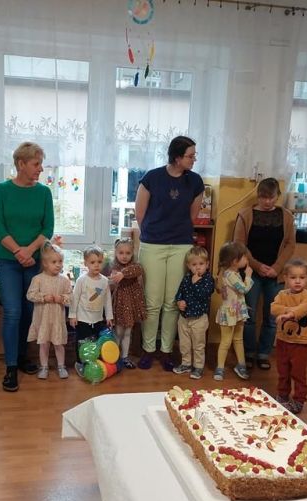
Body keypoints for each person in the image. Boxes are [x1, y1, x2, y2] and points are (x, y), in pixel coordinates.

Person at [135, 135, 205, 370]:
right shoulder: (152, 178)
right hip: (153, 245)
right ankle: (148, 349)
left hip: (181, 246)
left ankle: (166, 351)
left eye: (194, 155)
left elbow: (192, 216)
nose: (194, 159)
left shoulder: (195, 182)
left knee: (172, 302)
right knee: (152, 301)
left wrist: (177, 233)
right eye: (190, 156)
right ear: (177, 157)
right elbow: (140, 213)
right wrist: (154, 234)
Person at [0, 142, 54, 392]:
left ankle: (21, 357)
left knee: (29, 312)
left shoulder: (44, 193)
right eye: (36, 164)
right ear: (21, 164)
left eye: (41, 164)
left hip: (34, 261)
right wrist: (19, 251)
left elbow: (47, 228)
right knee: (12, 312)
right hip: (8, 261)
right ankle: (10, 367)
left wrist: (29, 251)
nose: (40, 169)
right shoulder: (2, 190)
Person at [233, 177, 296, 371]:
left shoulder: (286, 216)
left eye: (271, 197)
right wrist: (257, 265)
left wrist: (277, 267)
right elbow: (239, 244)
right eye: (263, 197)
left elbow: (290, 245)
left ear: (278, 196)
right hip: (251, 272)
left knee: (271, 317)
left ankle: (263, 354)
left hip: (275, 274)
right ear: (258, 196)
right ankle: (249, 353)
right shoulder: (245, 215)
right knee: (249, 315)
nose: (267, 201)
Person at [270, 258, 307, 414]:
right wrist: (288, 310)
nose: (297, 281)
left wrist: (289, 314)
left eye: (302, 277)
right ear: (286, 278)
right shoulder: (281, 294)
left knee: (298, 373)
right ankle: (282, 395)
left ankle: (299, 400)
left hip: (300, 342)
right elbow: (274, 308)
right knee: (283, 371)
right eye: (293, 277)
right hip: (283, 340)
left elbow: (304, 308)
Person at [26, 241, 72, 379]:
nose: (58, 265)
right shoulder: (38, 279)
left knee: (59, 344)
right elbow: (30, 295)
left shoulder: (64, 280)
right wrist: (43, 297)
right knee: (44, 345)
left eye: (60, 261)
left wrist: (62, 298)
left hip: (57, 320)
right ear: (45, 263)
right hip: (43, 320)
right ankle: (44, 367)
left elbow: (71, 297)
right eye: (54, 262)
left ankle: (61, 366)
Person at [69, 246, 114, 376]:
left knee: (95, 341)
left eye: (99, 262)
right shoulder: (81, 280)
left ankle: (92, 362)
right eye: (92, 262)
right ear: (86, 263)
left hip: (98, 319)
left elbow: (107, 300)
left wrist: (109, 317)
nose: (96, 265)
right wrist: (72, 315)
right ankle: (80, 362)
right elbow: (75, 298)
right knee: (82, 342)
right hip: (83, 319)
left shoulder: (104, 281)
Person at [173, 246, 215, 380]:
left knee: (198, 345)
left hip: (199, 319)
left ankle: (198, 366)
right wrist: (179, 301)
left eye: (201, 264)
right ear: (188, 266)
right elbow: (180, 292)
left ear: (207, 264)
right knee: (184, 344)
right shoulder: (187, 277)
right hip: (184, 318)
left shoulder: (208, 279)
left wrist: (195, 284)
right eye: (194, 264)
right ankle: (186, 364)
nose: (198, 267)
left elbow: (204, 295)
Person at [214, 241, 253, 381]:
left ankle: (241, 365)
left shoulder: (232, 273)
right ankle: (220, 368)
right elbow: (243, 289)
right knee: (226, 341)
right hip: (229, 313)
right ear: (235, 261)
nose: (247, 259)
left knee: (238, 339)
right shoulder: (230, 275)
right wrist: (248, 276)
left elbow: (234, 293)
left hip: (237, 312)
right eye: (244, 257)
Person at [109, 238, 146, 369]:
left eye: (128, 253)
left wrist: (123, 274)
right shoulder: (114, 267)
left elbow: (138, 269)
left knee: (128, 332)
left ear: (132, 253)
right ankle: (114, 356)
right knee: (118, 332)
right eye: (121, 253)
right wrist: (116, 277)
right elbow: (112, 281)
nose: (124, 256)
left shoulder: (134, 266)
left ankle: (125, 357)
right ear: (116, 253)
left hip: (131, 306)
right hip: (120, 305)